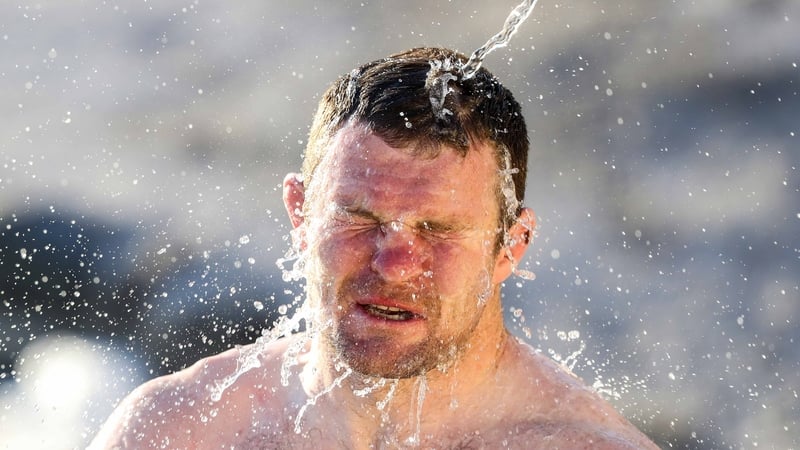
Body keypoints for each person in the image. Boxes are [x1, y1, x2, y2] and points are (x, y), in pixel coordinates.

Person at [91, 47, 658, 449]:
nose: (393, 264)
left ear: (511, 245)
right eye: (360, 219)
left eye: (437, 230)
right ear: (300, 214)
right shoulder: (177, 431)